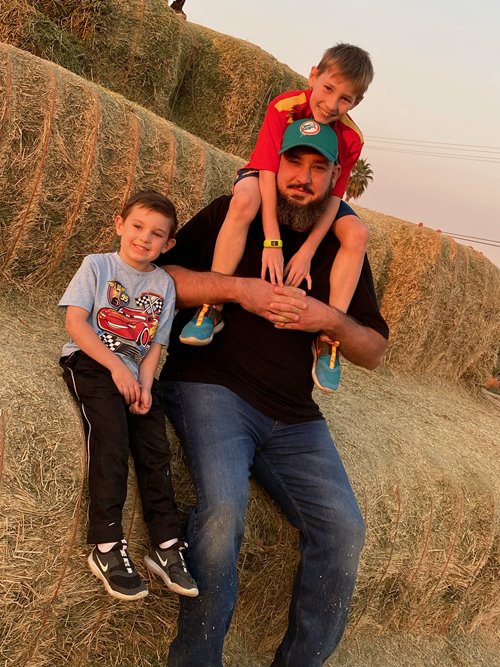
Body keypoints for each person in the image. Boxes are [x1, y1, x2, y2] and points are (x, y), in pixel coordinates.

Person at [156, 120, 389, 666]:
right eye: (293, 163)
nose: (302, 178)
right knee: (223, 514)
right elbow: (161, 277)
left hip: (294, 417)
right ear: (274, 164)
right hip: (211, 388)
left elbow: (374, 350)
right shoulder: (233, 211)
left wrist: (327, 318)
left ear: (336, 177)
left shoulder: (343, 248)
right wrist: (240, 290)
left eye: (317, 168)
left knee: (344, 529)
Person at [179, 44, 373, 394]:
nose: (331, 105)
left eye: (345, 99)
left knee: (358, 234)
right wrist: (273, 240)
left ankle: (327, 340)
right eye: (328, 89)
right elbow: (268, 171)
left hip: (319, 192)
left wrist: (308, 250)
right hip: (266, 174)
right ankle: (212, 306)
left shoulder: (352, 138)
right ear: (313, 76)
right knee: (243, 201)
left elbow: (333, 197)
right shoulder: (284, 107)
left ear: (356, 103)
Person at [58, 191, 198, 601]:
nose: (144, 238)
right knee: (113, 439)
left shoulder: (163, 284)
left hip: (136, 377)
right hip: (92, 361)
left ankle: (166, 544)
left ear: (168, 244)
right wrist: (117, 368)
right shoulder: (97, 265)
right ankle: (106, 545)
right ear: (120, 224)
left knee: (156, 451)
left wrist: (146, 386)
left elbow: (155, 346)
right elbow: (76, 323)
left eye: (157, 234)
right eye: (137, 226)